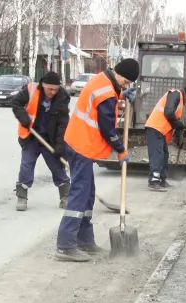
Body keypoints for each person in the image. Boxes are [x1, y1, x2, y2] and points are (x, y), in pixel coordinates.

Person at [55, 58, 139, 262]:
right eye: (125, 82)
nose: (125, 85)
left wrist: (121, 94)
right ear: (118, 73)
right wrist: (120, 149)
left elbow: (108, 95)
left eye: (128, 84)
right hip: (82, 145)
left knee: (88, 194)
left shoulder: (103, 81)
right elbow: (107, 129)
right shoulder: (107, 93)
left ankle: (85, 241)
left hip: (79, 142)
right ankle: (65, 246)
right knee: (80, 193)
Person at [11, 72, 71, 211]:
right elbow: (16, 103)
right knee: (26, 166)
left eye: (55, 89)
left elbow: (63, 123)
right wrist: (24, 118)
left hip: (50, 139)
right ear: (43, 85)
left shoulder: (62, 97)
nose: (52, 92)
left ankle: (65, 197)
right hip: (31, 137)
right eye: (50, 89)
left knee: (58, 167)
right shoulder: (31, 89)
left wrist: (60, 145)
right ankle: (22, 197)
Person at [144, 84, 186, 191]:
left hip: (160, 130)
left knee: (164, 154)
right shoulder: (176, 94)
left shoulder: (179, 99)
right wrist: (178, 123)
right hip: (155, 127)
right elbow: (168, 112)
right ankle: (154, 181)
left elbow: (172, 117)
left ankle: (162, 180)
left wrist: (178, 132)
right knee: (157, 154)